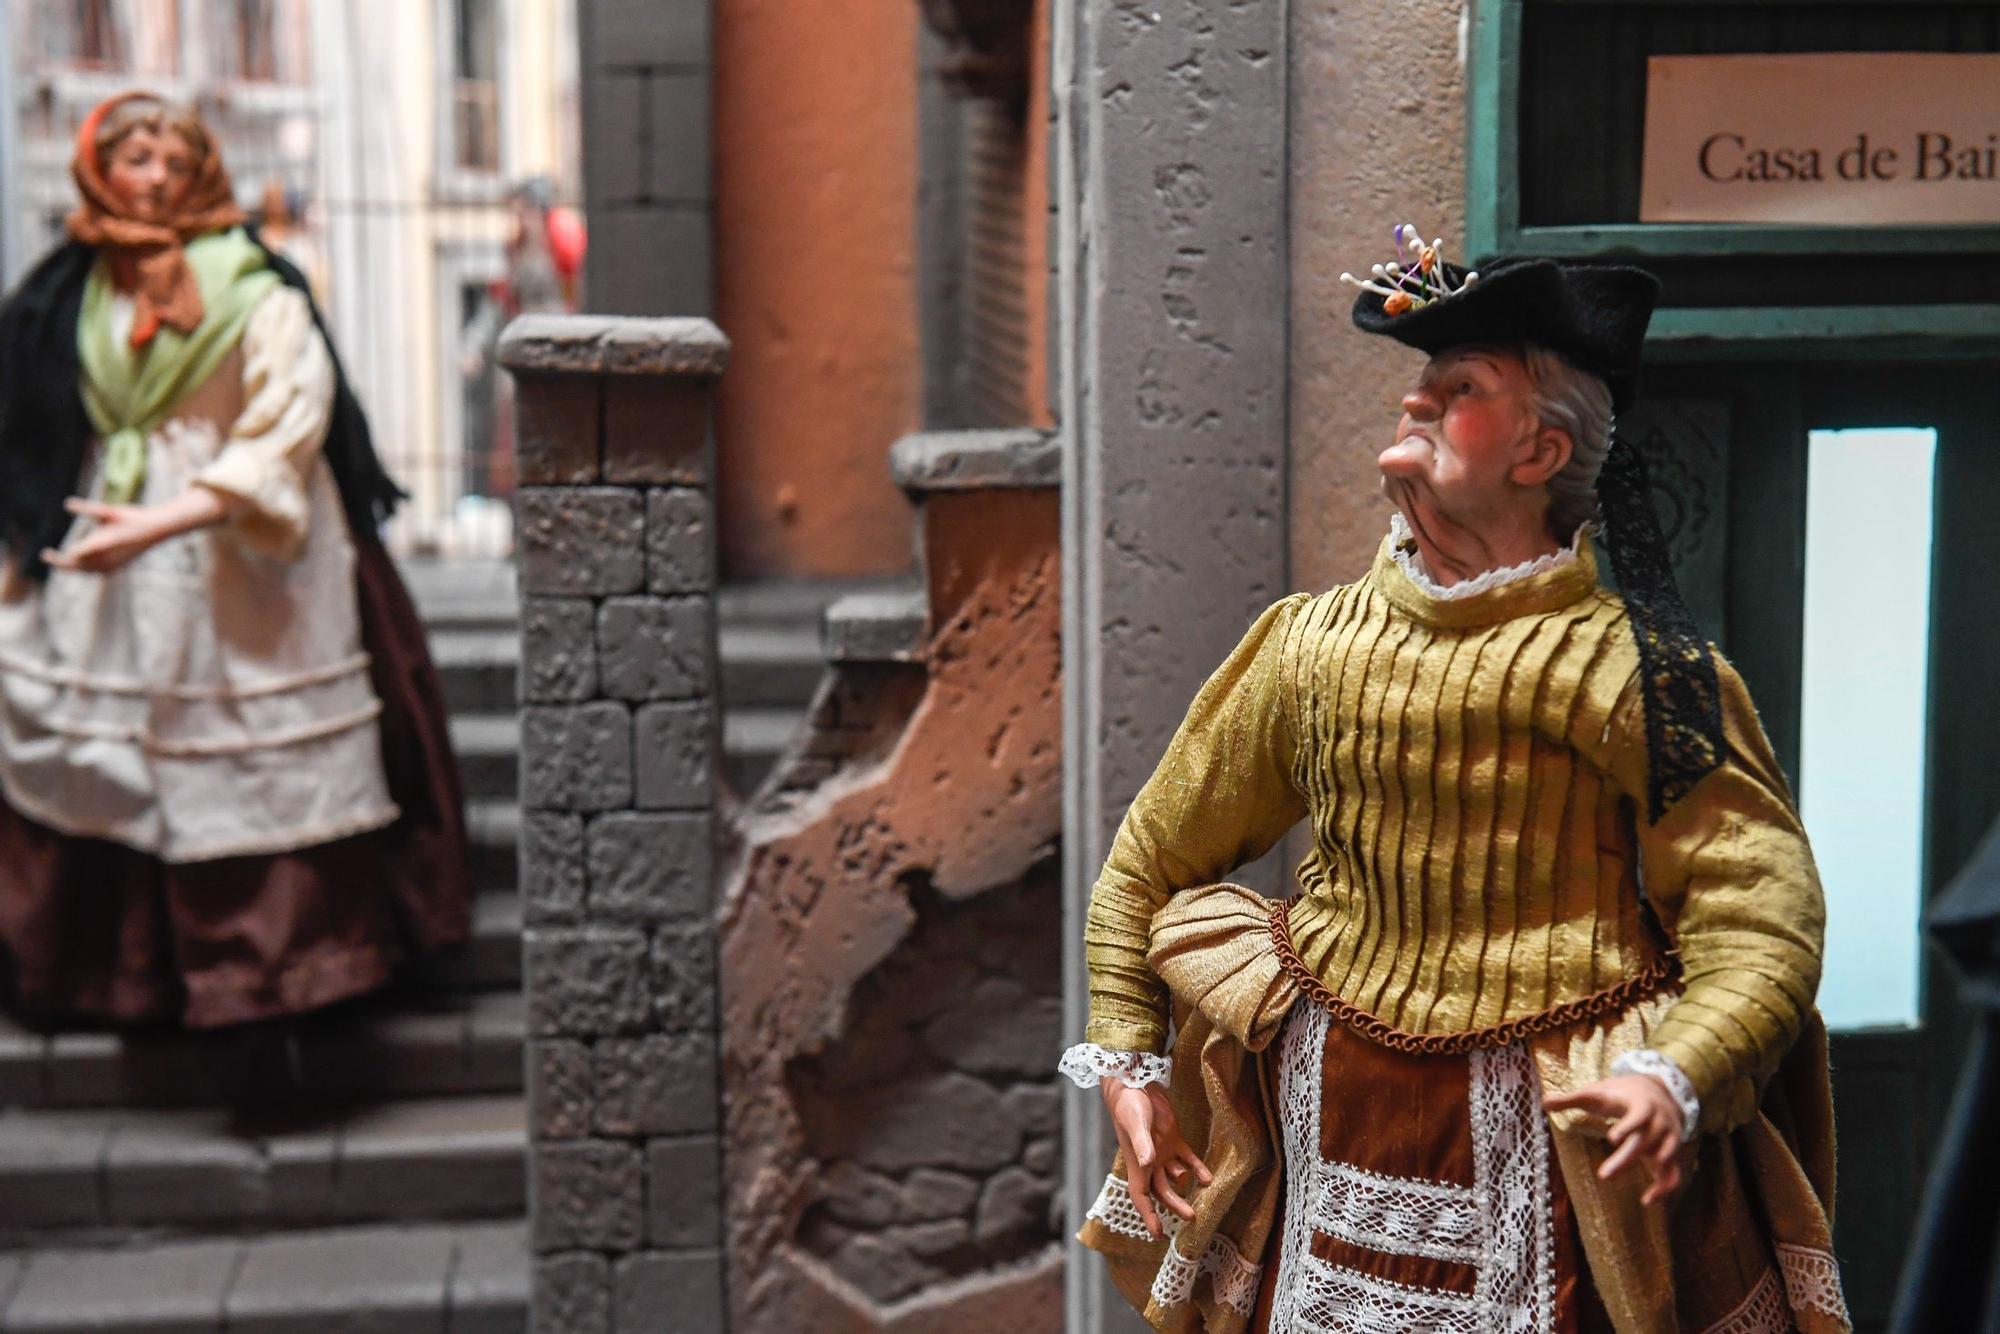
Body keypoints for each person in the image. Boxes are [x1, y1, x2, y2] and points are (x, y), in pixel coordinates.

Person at [1059, 227, 1851, 1331]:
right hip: (1331, 1109)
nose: (1414, 405)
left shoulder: (1639, 673)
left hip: (1563, 1131)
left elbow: (1759, 915)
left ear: (1538, 449)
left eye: (1458, 387)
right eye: (1416, 385)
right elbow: (1148, 856)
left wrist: (1672, 1071)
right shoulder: (1307, 646)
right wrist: (1129, 1066)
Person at [0, 92, 471, 1029]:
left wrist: (175, 514)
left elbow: (287, 419)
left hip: (244, 547)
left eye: (176, 163)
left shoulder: (254, 285)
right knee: (107, 742)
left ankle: (277, 969)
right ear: (100, 167)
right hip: (108, 549)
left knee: (246, 732)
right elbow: (32, 414)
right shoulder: (69, 290)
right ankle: (120, 966)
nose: (158, 178)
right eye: (137, 159)